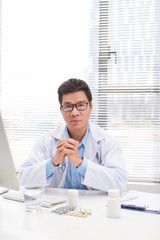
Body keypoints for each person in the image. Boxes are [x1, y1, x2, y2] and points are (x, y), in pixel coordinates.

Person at [19, 78, 127, 192]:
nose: (74, 113)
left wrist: (80, 163)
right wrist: (54, 162)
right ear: (61, 110)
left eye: (81, 105)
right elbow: (24, 180)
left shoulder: (107, 141)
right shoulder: (45, 141)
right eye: (68, 106)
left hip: (94, 207)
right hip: (56, 207)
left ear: (91, 106)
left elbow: (119, 183)